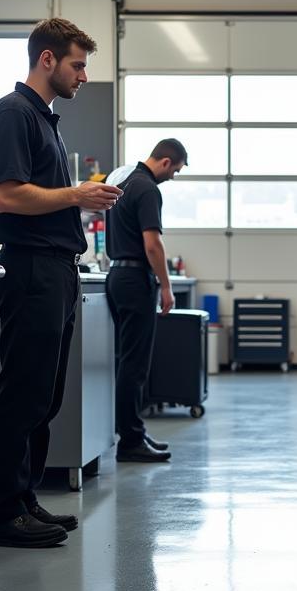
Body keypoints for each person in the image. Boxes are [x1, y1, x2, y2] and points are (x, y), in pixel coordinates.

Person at [0, 18, 123, 548]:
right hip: (32, 268)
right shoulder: (13, 115)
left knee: (45, 395)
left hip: (57, 268)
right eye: (78, 65)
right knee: (23, 393)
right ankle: (4, 512)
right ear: (47, 60)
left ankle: (25, 499)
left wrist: (78, 198)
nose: (83, 76)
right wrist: (76, 196)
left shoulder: (45, 120)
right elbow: (8, 196)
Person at [106, 138, 188, 462]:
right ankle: (130, 441)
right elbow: (153, 244)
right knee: (134, 364)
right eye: (176, 171)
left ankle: (133, 432)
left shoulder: (125, 182)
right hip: (135, 280)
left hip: (118, 276)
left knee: (128, 360)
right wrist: (166, 286)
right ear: (166, 162)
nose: (173, 177)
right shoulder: (148, 189)